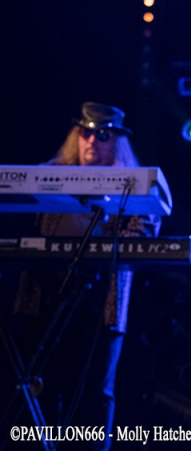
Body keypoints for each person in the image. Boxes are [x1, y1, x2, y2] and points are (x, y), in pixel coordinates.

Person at [5, 102, 159, 450]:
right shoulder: (50, 174)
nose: (91, 141)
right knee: (42, 384)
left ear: (116, 141)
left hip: (101, 302)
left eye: (102, 135)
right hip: (49, 295)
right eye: (85, 133)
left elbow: (145, 231)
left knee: (95, 391)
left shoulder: (131, 183)